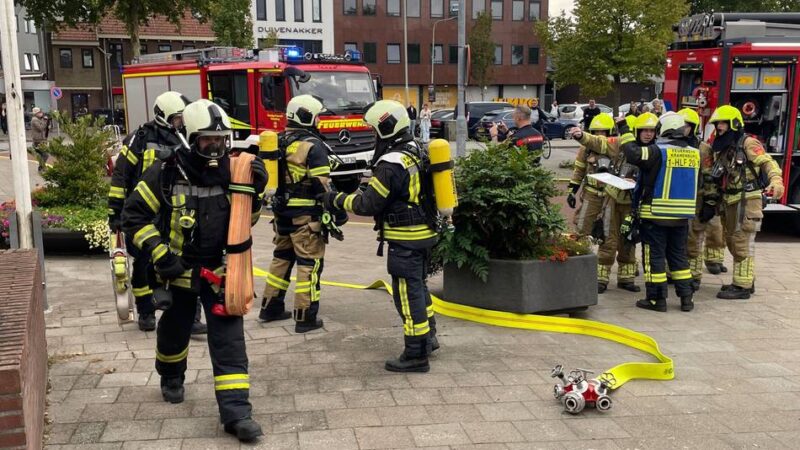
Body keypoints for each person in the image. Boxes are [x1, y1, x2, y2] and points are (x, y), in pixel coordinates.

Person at [122, 99, 265, 442]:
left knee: (229, 341)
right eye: (207, 140)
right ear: (189, 138)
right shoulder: (166, 172)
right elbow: (134, 216)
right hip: (178, 270)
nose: (215, 147)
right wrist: (160, 255)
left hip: (221, 271)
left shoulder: (235, 171)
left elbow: (247, 222)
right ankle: (171, 375)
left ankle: (237, 413)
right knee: (175, 330)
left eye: (220, 139)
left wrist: (254, 193)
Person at [321, 100, 439, 373]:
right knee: (419, 289)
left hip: (405, 239)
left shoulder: (391, 163)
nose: (374, 135)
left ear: (386, 128)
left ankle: (416, 354)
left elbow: (368, 205)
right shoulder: (416, 149)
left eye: (375, 130)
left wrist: (335, 199)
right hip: (424, 234)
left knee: (407, 297)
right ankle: (429, 339)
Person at [108, 91, 208, 333]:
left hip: (175, 211)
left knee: (186, 261)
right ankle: (146, 311)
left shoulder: (187, 137)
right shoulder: (140, 138)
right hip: (145, 210)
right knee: (143, 264)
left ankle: (191, 317)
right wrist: (116, 212)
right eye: (177, 118)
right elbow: (121, 175)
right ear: (164, 116)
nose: (181, 122)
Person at [259, 95, 332, 333]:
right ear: (306, 116)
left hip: (281, 215)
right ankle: (305, 317)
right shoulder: (312, 145)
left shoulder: (279, 140)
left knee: (281, 259)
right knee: (309, 264)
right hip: (306, 218)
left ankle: (270, 308)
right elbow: (322, 185)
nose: (319, 121)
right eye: (317, 116)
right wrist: (336, 210)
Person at [701, 105, 784, 300]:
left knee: (741, 242)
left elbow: (767, 162)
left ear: (734, 124)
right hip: (730, 201)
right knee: (732, 241)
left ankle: (742, 286)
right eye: (716, 123)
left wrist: (776, 181)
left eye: (723, 123)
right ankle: (746, 280)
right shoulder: (722, 148)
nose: (719, 127)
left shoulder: (747, 143)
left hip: (747, 200)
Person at [619, 112, 699, 312]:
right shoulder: (694, 153)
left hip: (655, 215)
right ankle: (686, 299)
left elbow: (633, 154)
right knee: (678, 257)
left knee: (654, 258)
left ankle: (656, 299)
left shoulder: (658, 151)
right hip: (682, 217)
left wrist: (624, 129)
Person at [571, 114, 640, 294]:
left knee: (627, 238)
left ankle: (626, 278)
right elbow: (579, 169)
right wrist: (572, 189)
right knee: (590, 231)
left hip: (622, 199)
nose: (599, 134)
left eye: (603, 131)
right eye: (596, 132)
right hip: (595, 195)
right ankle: (586, 268)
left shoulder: (634, 150)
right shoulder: (594, 148)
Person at [678, 108, 727, 289]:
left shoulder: (703, 149)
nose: (683, 129)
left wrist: (710, 201)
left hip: (696, 199)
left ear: (693, 128)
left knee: (694, 237)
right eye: (680, 125)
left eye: (687, 126)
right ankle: (673, 272)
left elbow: (709, 176)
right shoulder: (668, 146)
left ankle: (694, 275)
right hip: (674, 199)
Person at [30, 107, 49, 171]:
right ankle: (41, 167)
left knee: (42, 155)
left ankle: (41, 167)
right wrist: (45, 121)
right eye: (40, 112)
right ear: (36, 113)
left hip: (41, 139)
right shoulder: (34, 120)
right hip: (38, 140)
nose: (41, 113)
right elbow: (41, 128)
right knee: (45, 155)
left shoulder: (39, 119)